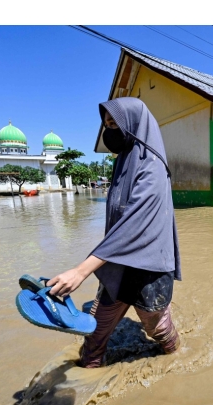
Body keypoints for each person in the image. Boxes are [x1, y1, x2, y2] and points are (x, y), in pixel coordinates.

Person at [46, 97, 182, 368]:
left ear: (133, 125)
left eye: (115, 124)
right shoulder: (123, 161)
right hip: (118, 263)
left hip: (149, 270)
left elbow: (133, 224)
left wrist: (81, 270)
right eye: (106, 124)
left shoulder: (152, 165)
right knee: (96, 332)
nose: (110, 131)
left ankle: (177, 358)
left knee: (157, 330)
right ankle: (87, 371)